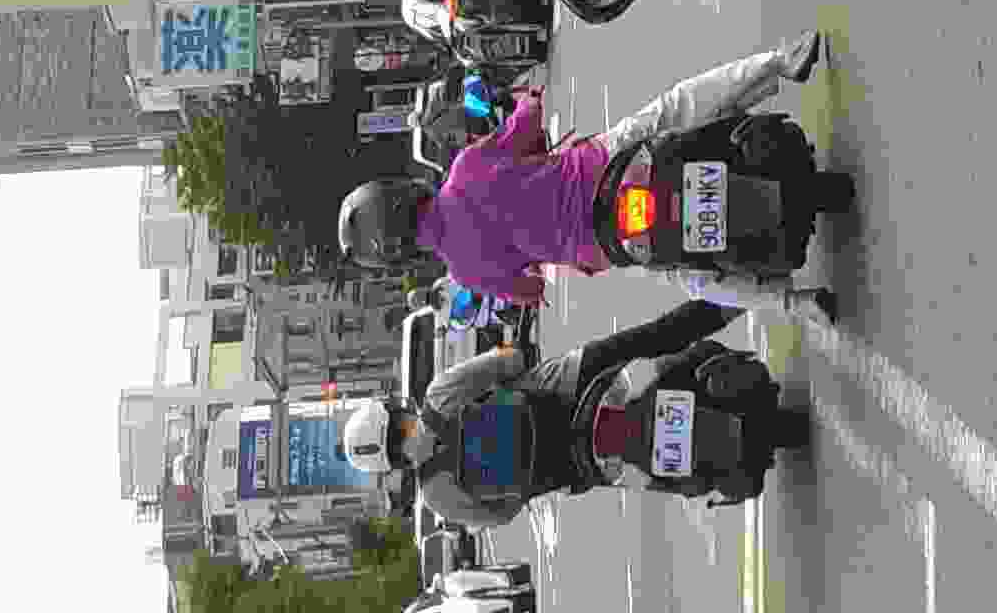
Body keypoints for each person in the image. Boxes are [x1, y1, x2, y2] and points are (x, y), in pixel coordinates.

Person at [339, 28, 827, 315]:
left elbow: (530, 290)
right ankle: (780, 63)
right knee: (676, 107)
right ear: (400, 192)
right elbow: (528, 123)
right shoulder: (465, 170)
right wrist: (526, 100)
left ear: (400, 253)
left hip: (609, 241)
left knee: (695, 279)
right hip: (606, 165)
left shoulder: (465, 272)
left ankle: (797, 304)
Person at [389, 292, 750, 534]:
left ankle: (714, 478)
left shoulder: (437, 496)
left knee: (649, 475)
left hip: (575, 466)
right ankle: (748, 295)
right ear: (398, 415)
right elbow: (512, 362)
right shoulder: (439, 395)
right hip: (572, 385)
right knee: (658, 335)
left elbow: (503, 514)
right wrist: (514, 358)